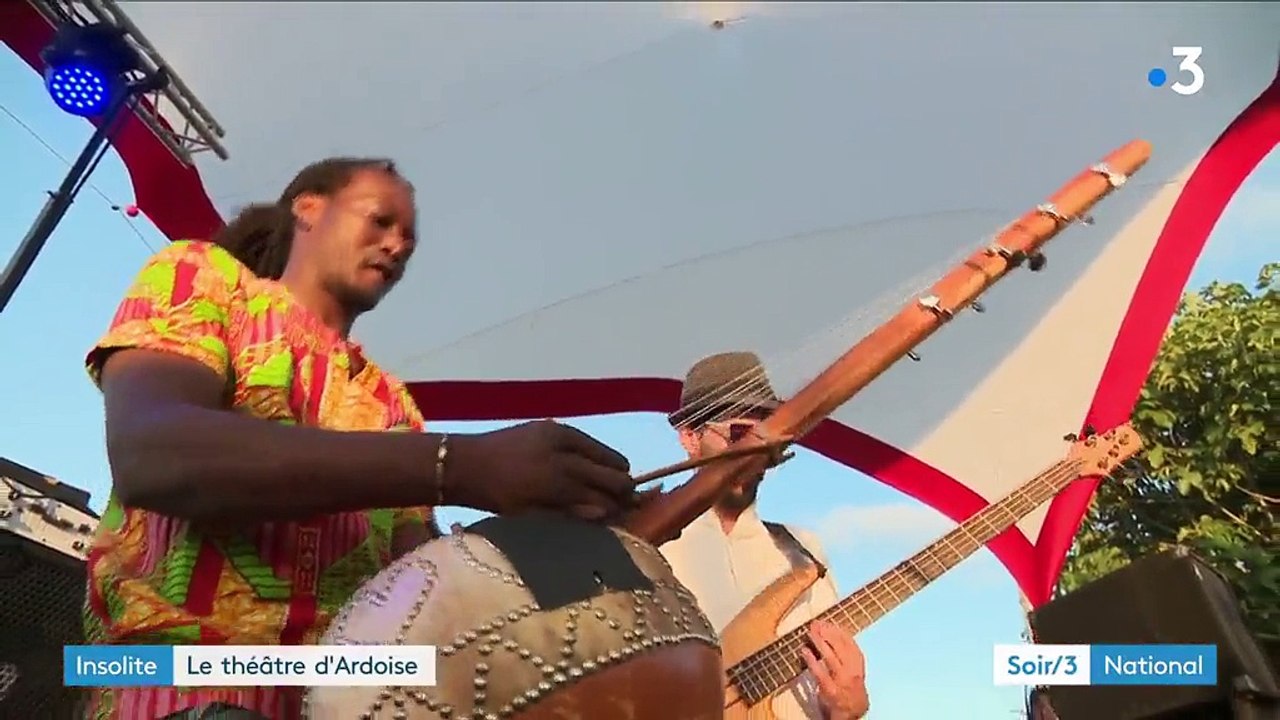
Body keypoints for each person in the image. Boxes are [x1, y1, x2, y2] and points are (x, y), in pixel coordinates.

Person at [81, 157, 642, 720]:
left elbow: (431, 599)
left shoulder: (391, 404)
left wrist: (597, 542)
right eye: (380, 221)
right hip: (172, 682)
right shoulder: (203, 276)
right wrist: (461, 465)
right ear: (307, 208)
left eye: (409, 239)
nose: (397, 245)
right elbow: (152, 455)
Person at [659, 352, 871, 720]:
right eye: (739, 434)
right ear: (690, 438)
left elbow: (830, 691)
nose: (752, 452)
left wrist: (850, 708)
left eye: (767, 436)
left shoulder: (806, 551)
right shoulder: (642, 549)